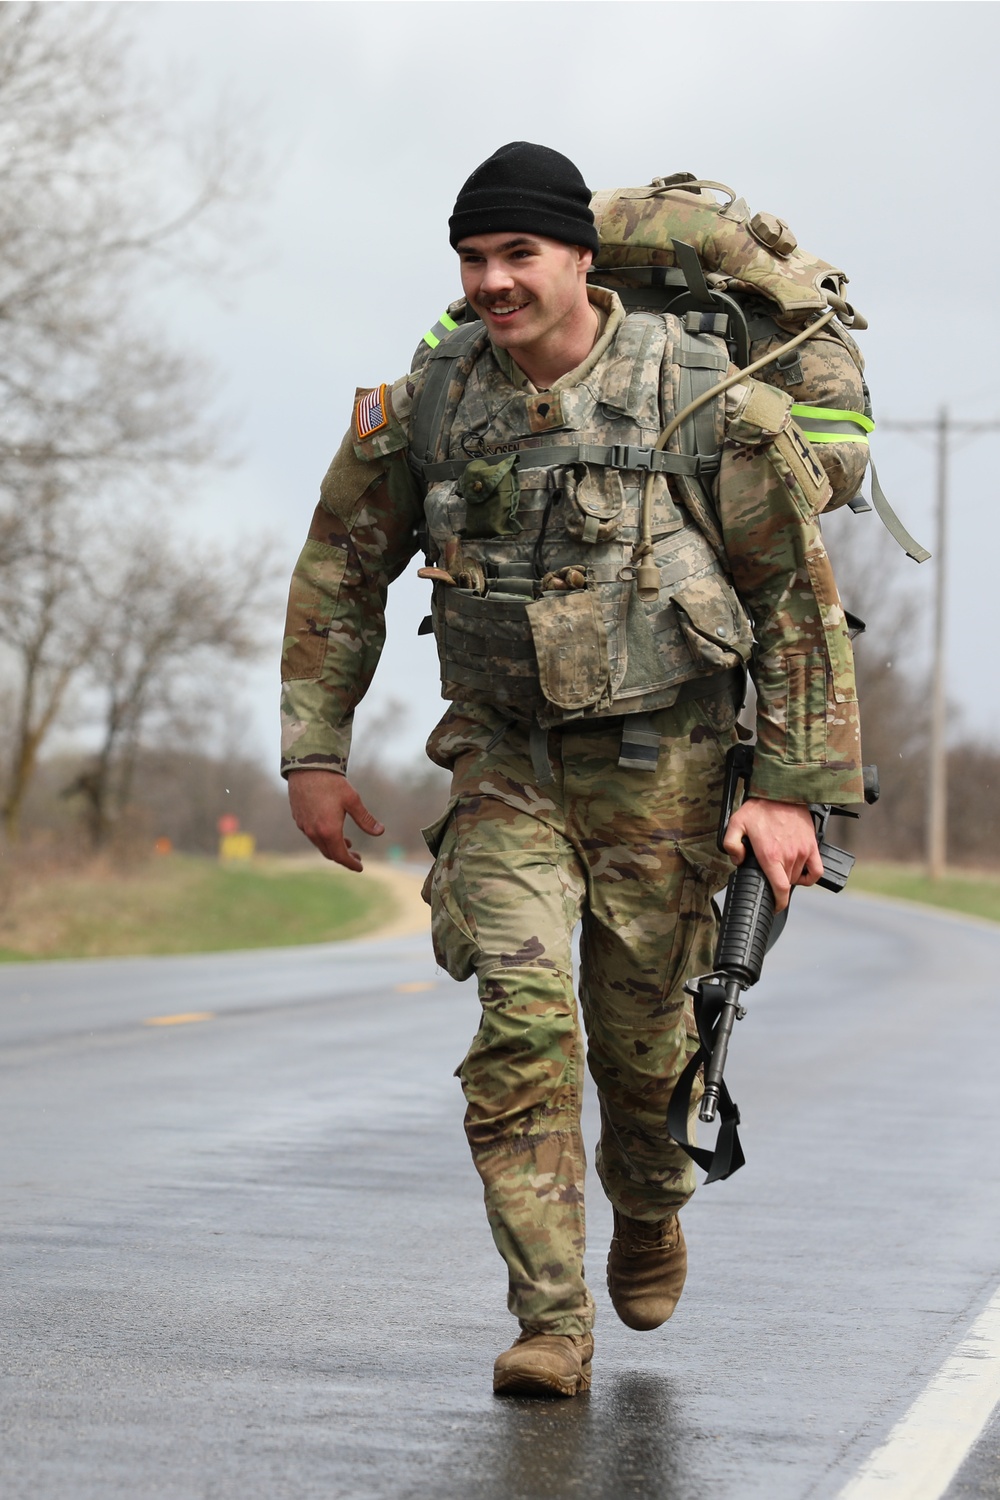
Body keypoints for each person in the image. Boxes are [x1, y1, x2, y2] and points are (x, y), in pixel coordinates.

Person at [281, 142, 863, 1399]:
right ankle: (550, 1321)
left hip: (668, 767)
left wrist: (785, 788)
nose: (493, 282)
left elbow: (794, 604)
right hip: (506, 763)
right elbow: (339, 565)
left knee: (642, 1055)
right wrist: (313, 753)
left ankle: (651, 1208)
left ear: (579, 261)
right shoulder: (432, 403)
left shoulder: (709, 400)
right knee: (524, 1022)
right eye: (473, 259)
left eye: (517, 256)